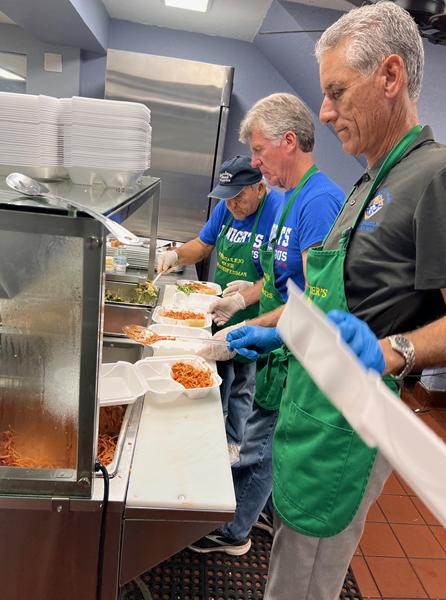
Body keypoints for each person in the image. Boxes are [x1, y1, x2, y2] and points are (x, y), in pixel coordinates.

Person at [224, 2, 446, 598]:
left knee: (308, 575)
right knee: (289, 551)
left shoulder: (434, 176)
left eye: (338, 92)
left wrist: (394, 349)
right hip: (312, 402)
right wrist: (286, 328)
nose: (325, 112)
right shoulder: (367, 182)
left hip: (352, 420)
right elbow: (330, 294)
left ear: (391, 77)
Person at [189, 93, 344, 556]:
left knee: (260, 448)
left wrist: (254, 327)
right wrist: (244, 298)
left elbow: (316, 302)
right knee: (256, 436)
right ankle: (240, 515)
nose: (255, 163)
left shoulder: (318, 202)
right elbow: (282, 284)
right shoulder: (292, 197)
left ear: (288, 141)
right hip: (275, 350)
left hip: (294, 355)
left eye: (259, 152)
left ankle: (236, 532)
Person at [156, 155, 281, 452]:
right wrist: (176, 256)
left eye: (238, 196)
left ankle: (234, 442)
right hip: (219, 309)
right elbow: (202, 244)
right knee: (218, 373)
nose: (232, 205)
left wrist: (248, 293)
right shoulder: (227, 209)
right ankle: (212, 429)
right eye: (227, 198)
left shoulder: (277, 213)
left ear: (259, 188)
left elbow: (280, 274)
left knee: (243, 383)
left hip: (256, 317)